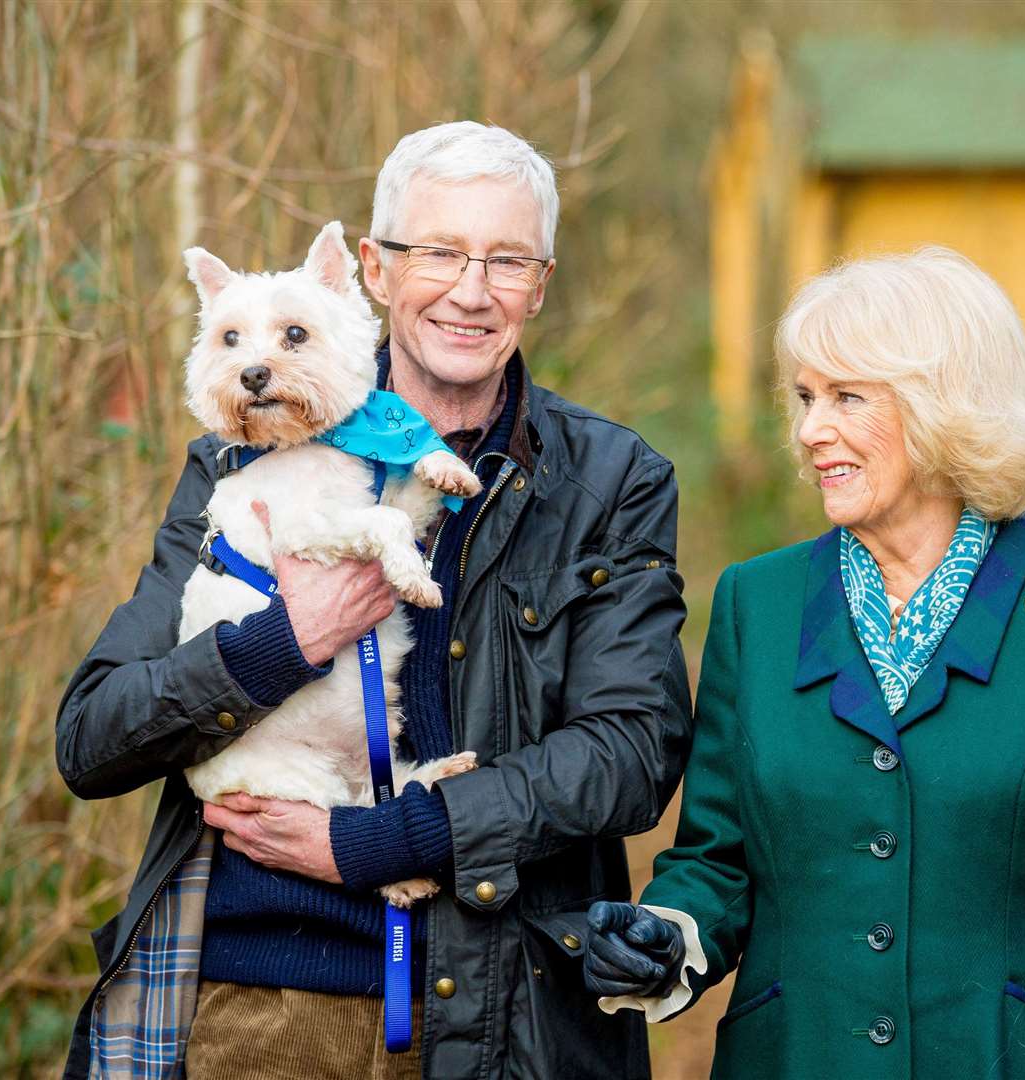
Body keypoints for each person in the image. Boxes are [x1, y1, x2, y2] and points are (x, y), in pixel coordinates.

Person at [56, 121, 692, 1080]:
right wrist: (286, 640)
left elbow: (631, 752)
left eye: (506, 261)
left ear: (540, 285)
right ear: (373, 270)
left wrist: (378, 840)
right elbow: (95, 738)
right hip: (266, 1011)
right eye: (438, 252)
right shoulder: (241, 459)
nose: (471, 291)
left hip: (513, 1020)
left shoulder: (609, 481)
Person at [584, 248, 1025, 1078]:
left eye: (846, 397)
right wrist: (669, 935)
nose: (808, 429)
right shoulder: (758, 602)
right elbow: (718, 857)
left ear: (947, 405)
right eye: (803, 398)